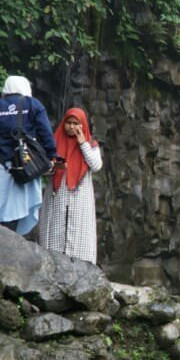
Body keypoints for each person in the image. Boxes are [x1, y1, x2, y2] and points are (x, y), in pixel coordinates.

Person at [0, 76, 56, 235]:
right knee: (19, 211)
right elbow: (45, 134)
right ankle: (11, 249)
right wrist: (51, 155)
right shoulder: (33, 105)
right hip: (24, 166)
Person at [37, 108, 102, 263]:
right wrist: (53, 167)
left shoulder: (91, 144)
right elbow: (43, 168)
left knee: (80, 230)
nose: (72, 127)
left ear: (82, 125)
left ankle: (81, 265)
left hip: (80, 195)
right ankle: (52, 262)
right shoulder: (54, 141)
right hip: (57, 193)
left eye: (76, 123)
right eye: (69, 123)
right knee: (54, 229)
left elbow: (96, 165)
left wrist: (82, 144)